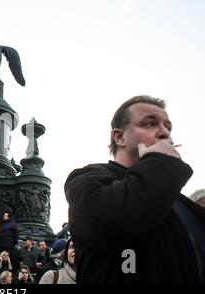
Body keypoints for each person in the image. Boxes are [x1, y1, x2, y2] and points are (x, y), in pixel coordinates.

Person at [65, 95, 205, 284]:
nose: (164, 133)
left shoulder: (178, 200)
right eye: (149, 124)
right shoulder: (87, 180)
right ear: (119, 137)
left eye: (167, 126)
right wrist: (160, 162)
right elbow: (120, 222)